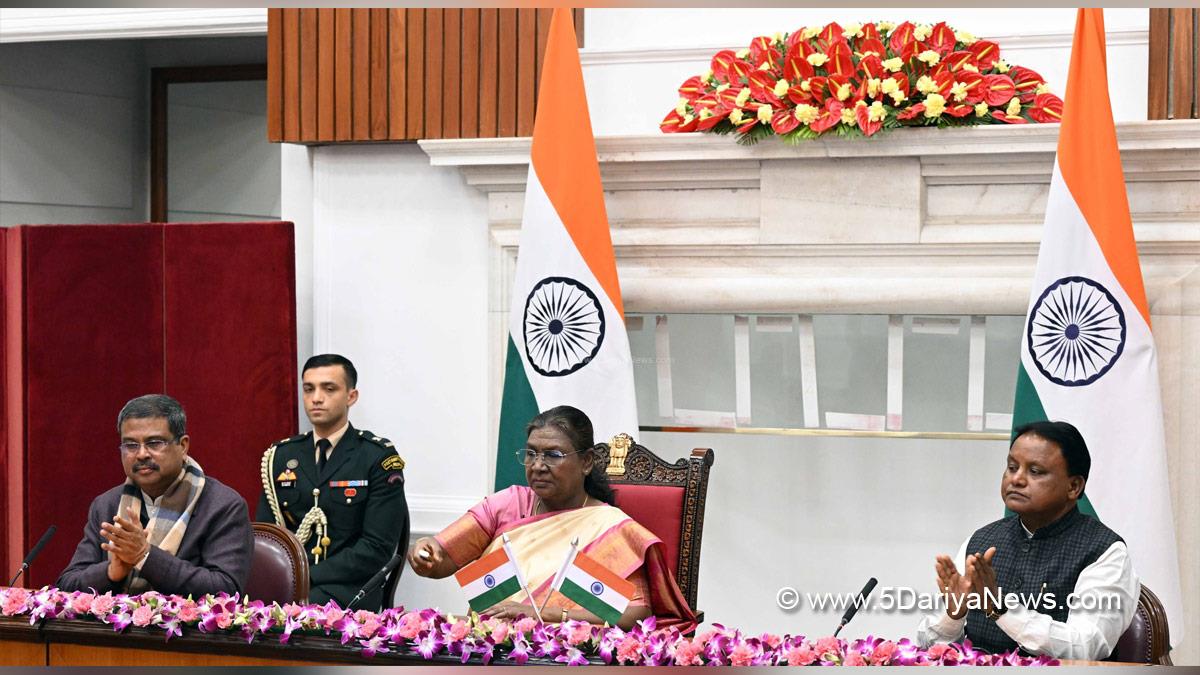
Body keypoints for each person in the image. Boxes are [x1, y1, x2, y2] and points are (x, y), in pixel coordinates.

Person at [408, 405, 696, 632]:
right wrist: (425, 551)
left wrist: (543, 615)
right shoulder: (508, 504)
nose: (538, 466)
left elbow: (634, 614)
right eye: (531, 454)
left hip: (566, 657)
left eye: (553, 455)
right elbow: (442, 559)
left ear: (586, 462)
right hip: (488, 648)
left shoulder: (610, 528)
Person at [916, 421, 1139, 660]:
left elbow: (1086, 647)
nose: (1017, 479)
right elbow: (929, 646)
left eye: (1035, 471)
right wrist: (954, 613)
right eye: (1012, 467)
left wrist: (999, 609)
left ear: (1074, 486)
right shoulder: (981, 541)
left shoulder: (1104, 550)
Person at [57, 394, 253, 597]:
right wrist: (110, 572)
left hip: (181, 628)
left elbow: (225, 590)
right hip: (114, 628)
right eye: (131, 445)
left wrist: (145, 556)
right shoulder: (107, 505)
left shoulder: (223, 506)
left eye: (154, 443)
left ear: (183, 445)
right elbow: (67, 585)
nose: (141, 454)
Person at [257, 354, 409, 610]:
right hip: (291, 585)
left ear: (351, 396)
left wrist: (307, 576)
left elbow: (376, 548)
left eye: (329, 388)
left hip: (350, 588)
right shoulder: (280, 457)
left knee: (293, 614)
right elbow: (267, 536)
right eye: (309, 389)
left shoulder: (377, 457)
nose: (316, 397)